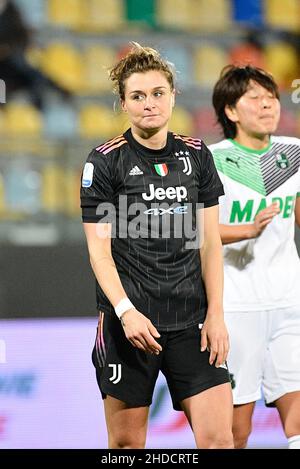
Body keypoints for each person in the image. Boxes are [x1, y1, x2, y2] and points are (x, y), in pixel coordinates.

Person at [80, 43, 233, 449]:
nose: (149, 104)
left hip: (192, 324)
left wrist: (216, 313)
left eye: (158, 93)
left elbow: (210, 243)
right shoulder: (104, 162)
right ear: (123, 103)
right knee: (127, 446)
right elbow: (99, 252)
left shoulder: (197, 156)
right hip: (129, 327)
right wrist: (126, 312)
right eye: (138, 96)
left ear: (173, 96)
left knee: (220, 440)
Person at [209, 65, 300, 449]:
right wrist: (246, 230)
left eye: (272, 97)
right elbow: (195, 233)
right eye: (255, 98)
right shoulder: (209, 160)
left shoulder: (293, 152)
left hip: (290, 301)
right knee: (236, 430)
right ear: (231, 111)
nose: (267, 105)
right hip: (237, 307)